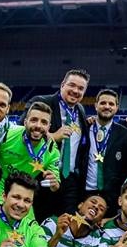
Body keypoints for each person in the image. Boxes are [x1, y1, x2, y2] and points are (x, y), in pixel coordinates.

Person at [31, 69, 91, 218]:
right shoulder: (42, 102)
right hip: (44, 175)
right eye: (72, 85)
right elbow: (22, 130)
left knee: (67, 223)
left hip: (70, 180)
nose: (75, 91)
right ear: (62, 84)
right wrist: (52, 136)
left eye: (81, 88)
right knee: (40, 220)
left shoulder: (80, 110)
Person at [0, 101, 61, 206]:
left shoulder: (52, 150)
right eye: (34, 120)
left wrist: (53, 183)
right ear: (25, 122)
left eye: (44, 122)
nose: (38, 126)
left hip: (23, 193)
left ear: (49, 127)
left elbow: (56, 185)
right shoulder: (7, 133)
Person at [78, 89, 127, 213]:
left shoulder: (124, 134)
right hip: (85, 193)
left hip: (113, 196)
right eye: (103, 103)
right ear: (96, 105)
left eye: (111, 104)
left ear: (116, 108)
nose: (107, 106)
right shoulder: (84, 129)